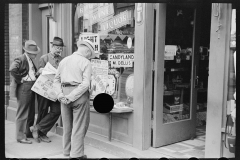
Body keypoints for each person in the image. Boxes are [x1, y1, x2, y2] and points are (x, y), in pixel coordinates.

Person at [53, 39, 95, 159]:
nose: (89, 57)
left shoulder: (64, 60)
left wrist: (61, 95)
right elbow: (85, 84)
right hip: (79, 95)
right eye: (90, 54)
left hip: (64, 94)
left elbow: (56, 80)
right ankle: (76, 155)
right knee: (79, 126)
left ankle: (66, 151)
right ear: (87, 51)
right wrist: (72, 97)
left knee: (67, 126)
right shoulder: (86, 62)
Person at [30, 37, 64, 143]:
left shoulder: (62, 60)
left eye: (61, 48)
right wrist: (41, 70)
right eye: (57, 48)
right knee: (42, 111)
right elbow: (38, 73)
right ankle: (42, 134)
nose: (59, 50)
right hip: (44, 90)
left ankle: (37, 128)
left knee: (57, 111)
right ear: (52, 47)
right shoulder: (44, 58)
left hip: (56, 90)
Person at [9, 40, 40, 144]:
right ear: (28, 52)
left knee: (31, 111)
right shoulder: (21, 58)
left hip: (30, 86)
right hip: (24, 86)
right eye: (34, 53)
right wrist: (20, 79)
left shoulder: (29, 59)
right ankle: (20, 137)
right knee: (22, 112)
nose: (35, 55)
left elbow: (30, 72)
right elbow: (12, 69)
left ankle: (27, 132)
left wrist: (37, 73)